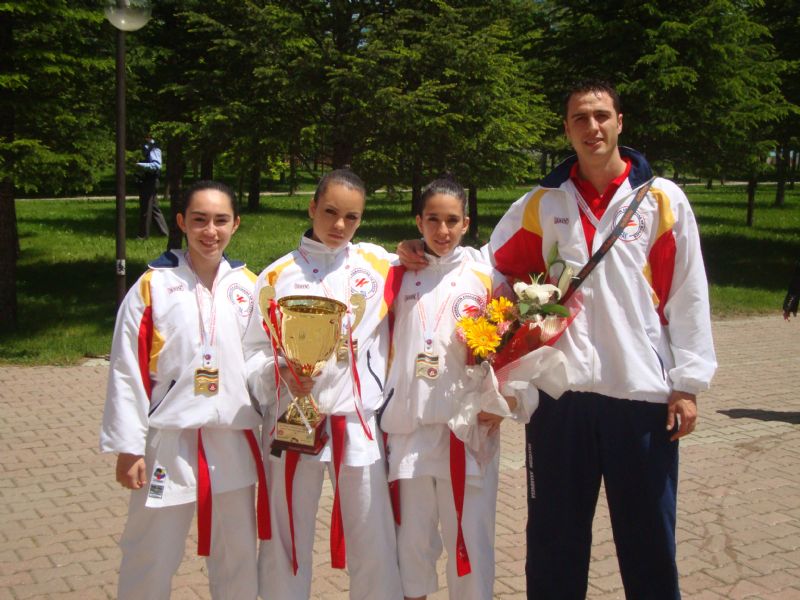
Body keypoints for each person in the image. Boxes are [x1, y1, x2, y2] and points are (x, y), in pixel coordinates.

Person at [399, 80, 717, 599]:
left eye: (600, 116)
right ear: (567, 129)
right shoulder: (544, 202)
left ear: (620, 122)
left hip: (639, 395)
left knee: (648, 540)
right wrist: (426, 253)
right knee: (553, 540)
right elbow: (486, 268)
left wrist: (687, 382)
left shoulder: (661, 199)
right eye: (579, 119)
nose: (591, 127)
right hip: (559, 399)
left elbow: (688, 292)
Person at [100, 180, 269, 599]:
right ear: (181, 223)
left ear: (236, 224)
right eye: (199, 220)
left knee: (237, 556)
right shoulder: (153, 286)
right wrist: (129, 446)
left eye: (220, 220)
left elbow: (261, 359)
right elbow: (127, 369)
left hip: (232, 441)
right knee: (151, 551)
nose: (210, 230)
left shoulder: (250, 287)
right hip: (170, 445)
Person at [244, 169, 404, 600]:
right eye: (330, 212)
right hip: (293, 419)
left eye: (351, 217)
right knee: (285, 534)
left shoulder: (380, 266)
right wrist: (279, 372)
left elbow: (439, 262)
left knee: (372, 534)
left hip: (356, 421)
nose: (339, 226)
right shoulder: (276, 277)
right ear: (312, 207)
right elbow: (253, 352)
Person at [380, 177, 532, 600]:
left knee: (470, 540)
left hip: (466, 431)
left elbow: (517, 345)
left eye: (451, 221)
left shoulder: (486, 277)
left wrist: (506, 399)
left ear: (466, 223)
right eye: (432, 220)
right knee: (411, 542)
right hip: (408, 430)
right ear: (418, 221)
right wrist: (399, 249)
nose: (442, 231)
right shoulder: (399, 274)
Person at [136, 134, 169, 239]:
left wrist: (139, 165)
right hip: (147, 180)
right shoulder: (147, 147)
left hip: (150, 180)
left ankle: (143, 235)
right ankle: (164, 233)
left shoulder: (154, 148)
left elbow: (156, 166)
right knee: (154, 209)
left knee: (146, 208)